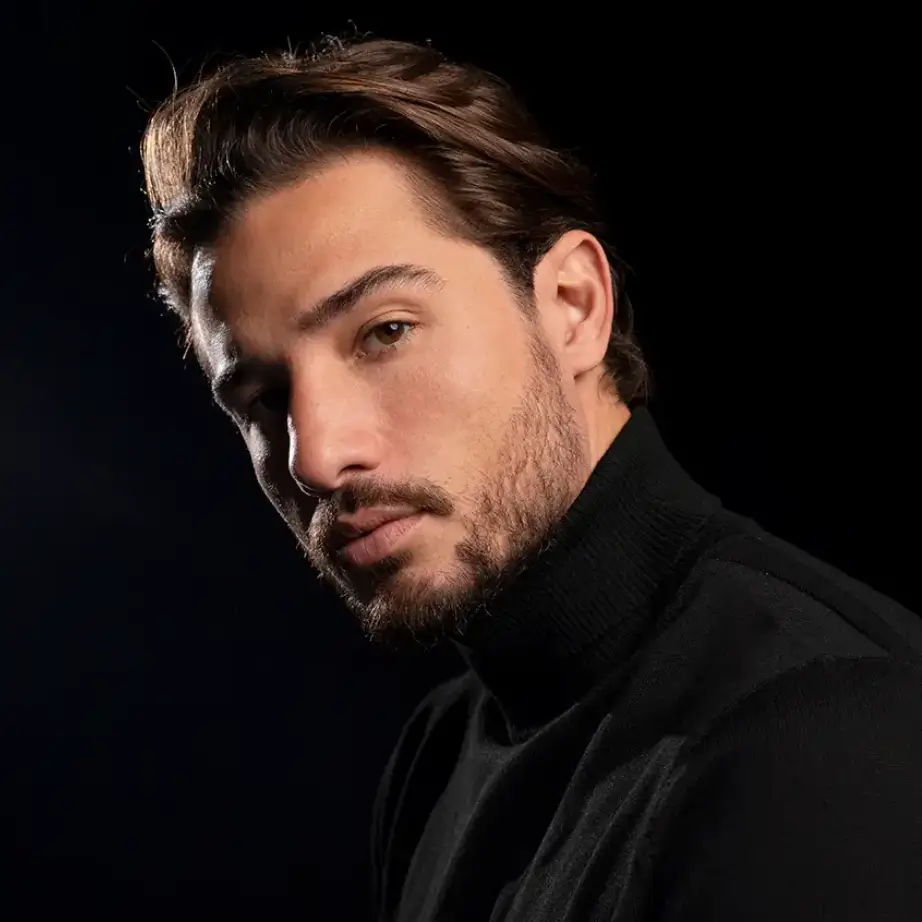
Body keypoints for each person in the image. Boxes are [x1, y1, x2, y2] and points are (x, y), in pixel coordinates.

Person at [139, 35, 922, 922]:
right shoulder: (437, 758)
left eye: (385, 332)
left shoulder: (818, 736)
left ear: (573, 307)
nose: (316, 457)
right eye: (261, 396)